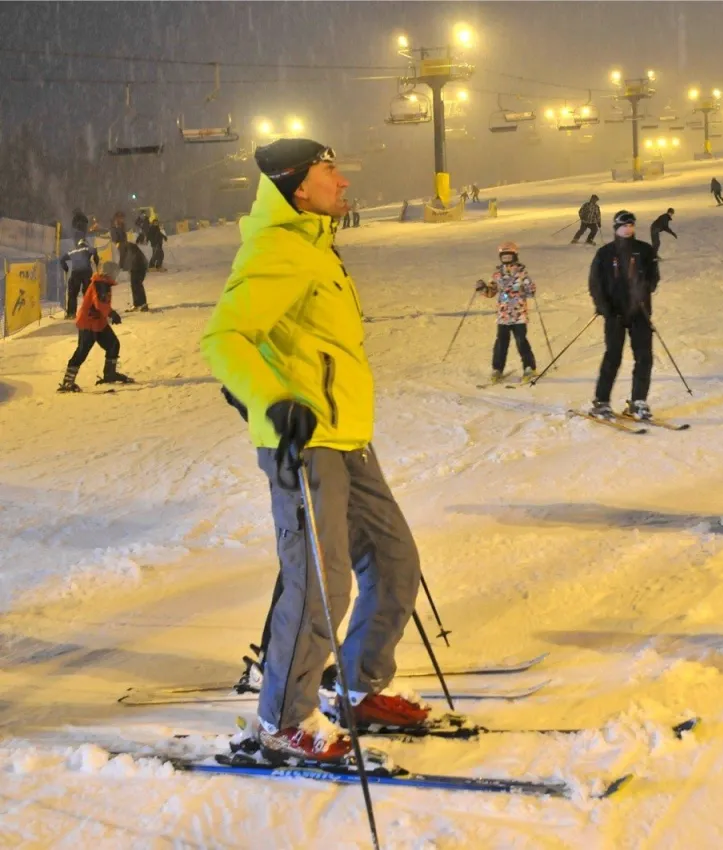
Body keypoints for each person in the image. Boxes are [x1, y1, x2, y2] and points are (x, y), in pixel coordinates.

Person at [201, 137, 429, 762]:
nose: (343, 180)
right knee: (320, 584)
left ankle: (358, 686)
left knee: (395, 561)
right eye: (331, 170)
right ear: (299, 185)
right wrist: (271, 399)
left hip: (347, 436)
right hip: (305, 445)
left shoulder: (316, 247)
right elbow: (225, 338)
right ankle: (282, 718)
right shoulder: (277, 248)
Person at [587, 210, 660, 421]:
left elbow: (653, 277)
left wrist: (644, 288)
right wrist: (604, 307)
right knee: (613, 357)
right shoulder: (605, 253)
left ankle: (638, 402)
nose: (628, 229)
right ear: (616, 228)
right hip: (615, 314)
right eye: (624, 226)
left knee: (644, 357)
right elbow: (595, 283)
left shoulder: (645, 250)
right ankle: (601, 402)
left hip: (640, 313)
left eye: (631, 225)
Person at [57, 261, 131, 392]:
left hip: (99, 323)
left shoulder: (104, 283)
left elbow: (102, 304)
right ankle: (68, 381)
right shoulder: (100, 284)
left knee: (113, 344)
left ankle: (110, 374)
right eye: (115, 272)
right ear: (109, 272)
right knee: (82, 351)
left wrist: (109, 313)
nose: (116, 275)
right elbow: (100, 303)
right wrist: (111, 313)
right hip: (88, 323)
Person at [479, 241, 538, 383]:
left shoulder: (521, 273)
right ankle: (497, 368)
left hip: (518, 313)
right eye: (504, 257)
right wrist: (482, 289)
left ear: (514, 256)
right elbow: (491, 292)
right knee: (501, 342)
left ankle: (529, 367)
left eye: (509, 257)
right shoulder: (497, 275)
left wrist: (529, 288)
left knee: (521, 340)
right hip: (503, 314)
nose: (506, 260)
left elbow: (530, 292)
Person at [60, 237, 100, 318]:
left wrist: (66, 268)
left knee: (73, 294)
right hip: (87, 272)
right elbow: (94, 251)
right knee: (88, 292)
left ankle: (71, 314)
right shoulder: (88, 248)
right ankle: (91, 312)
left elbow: (62, 259)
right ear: (86, 244)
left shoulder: (72, 251)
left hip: (75, 272)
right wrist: (96, 262)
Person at [117, 239, 150, 311]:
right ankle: (137, 304)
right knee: (135, 285)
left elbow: (123, 257)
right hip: (140, 266)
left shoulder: (122, 245)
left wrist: (120, 266)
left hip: (137, 266)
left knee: (137, 285)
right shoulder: (129, 244)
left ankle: (143, 304)